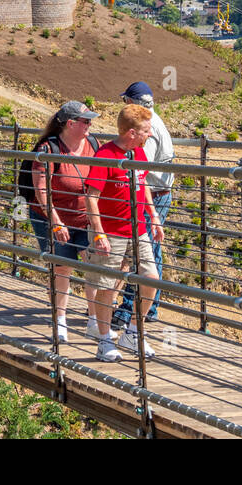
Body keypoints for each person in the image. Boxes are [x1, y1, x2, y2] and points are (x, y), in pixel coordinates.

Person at [85, 105, 162, 363]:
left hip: (138, 229)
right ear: (131, 132)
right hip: (111, 231)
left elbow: (144, 186)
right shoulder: (106, 154)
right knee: (107, 286)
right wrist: (99, 234)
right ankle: (105, 341)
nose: (149, 135)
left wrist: (154, 217)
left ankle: (133, 332)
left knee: (151, 278)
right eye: (146, 130)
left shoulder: (139, 153)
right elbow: (91, 197)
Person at [26, 100, 100, 344]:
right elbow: (41, 191)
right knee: (63, 268)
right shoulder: (48, 150)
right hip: (51, 217)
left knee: (94, 266)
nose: (90, 125)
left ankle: (95, 320)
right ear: (70, 124)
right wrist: (56, 223)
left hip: (84, 218)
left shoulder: (92, 144)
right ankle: (60, 321)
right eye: (86, 121)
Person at [111, 81, 177, 333]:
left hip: (152, 194)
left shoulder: (147, 129)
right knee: (152, 252)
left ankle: (131, 309)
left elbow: (139, 167)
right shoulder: (156, 122)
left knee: (144, 252)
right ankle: (150, 308)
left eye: (126, 102)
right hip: (160, 192)